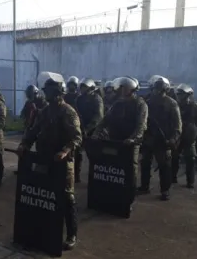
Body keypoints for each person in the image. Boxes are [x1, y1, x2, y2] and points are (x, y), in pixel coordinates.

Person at [17, 71, 82, 251]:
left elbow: (77, 138)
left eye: (49, 92)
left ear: (57, 93)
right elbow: (33, 130)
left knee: (67, 198)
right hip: (43, 158)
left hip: (62, 162)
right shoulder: (44, 111)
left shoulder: (68, 112)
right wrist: (24, 144)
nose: (46, 94)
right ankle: (41, 229)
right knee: (41, 194)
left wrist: (65, 151)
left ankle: (71, 234)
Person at [92, 77, 147, 209]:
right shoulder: (118, 104)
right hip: (114, 141)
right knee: (111, 170)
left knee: (130, 172)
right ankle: (111, 196)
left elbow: (141, 126)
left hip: (130, 144)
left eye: (122, 88)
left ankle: (129, 200)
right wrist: (96, 133)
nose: (119, 91)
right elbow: (105, 120)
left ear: (129, 89)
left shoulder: (140, 104)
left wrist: (133, 139)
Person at [138, 75, 182, 201]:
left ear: (165, 89)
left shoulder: (171, 103)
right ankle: (144, 186)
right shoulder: (146, 102)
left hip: (164, 139)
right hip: (149, 137)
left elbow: (177, 125)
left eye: (160, 89)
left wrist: (173, 139)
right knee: (145, 163)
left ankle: (165, 190)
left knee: (164, 165)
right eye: (156, 88)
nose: (157, 91)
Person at [171, 84, 197, 188]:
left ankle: (190, 181)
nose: (180, 96)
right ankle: (172, 178)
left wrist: (193, 128)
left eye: (182, 94)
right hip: (177, 136)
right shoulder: (174, 105)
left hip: (189, 136)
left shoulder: (195, 106)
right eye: (179, 94)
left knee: (190, 159)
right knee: (174, 158)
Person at [74, 78, 104, 182]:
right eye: (81, 87)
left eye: (84, 87)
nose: (82, 89)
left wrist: (87, 129)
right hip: (81, 129)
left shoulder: (97, 99)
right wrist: (79, 128)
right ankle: (76, 176)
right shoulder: (79, 99)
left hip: (94, 131)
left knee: (93, 156)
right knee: (76, 153)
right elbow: (76, 114)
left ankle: (95, 178)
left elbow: (98, 117)